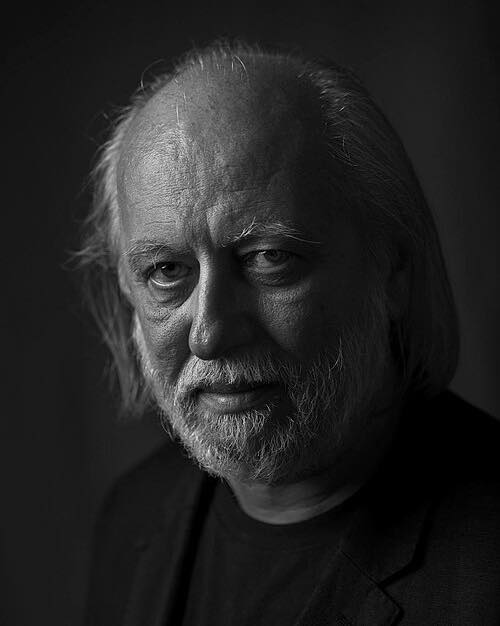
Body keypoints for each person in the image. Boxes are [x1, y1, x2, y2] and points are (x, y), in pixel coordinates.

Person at [81, 41, 500, 625]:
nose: (210, 335)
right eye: (168, 271)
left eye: (269, 258)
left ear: (392, 270)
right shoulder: (133, 517)